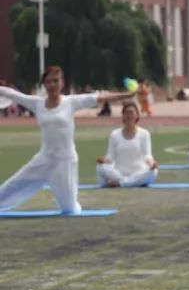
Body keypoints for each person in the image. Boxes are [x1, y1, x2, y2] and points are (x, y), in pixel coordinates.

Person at [0, 66, 134, 214]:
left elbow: (100, 97)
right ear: (44, 84)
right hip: (44, 159)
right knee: (11, 186)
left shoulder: (71, 102)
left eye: (55, 81)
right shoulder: (37, 103)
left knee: (69, 209)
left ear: (62, 83)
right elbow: (11, 94)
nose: (52, 85)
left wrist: (128, 94)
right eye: (49, 82)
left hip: (65, 161)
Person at [95, 101, 158, 187]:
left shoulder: (144, 134)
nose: (129, 115)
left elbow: (147, 155)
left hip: (138, 173)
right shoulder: (114, 134)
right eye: (126, 113)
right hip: (119, 174)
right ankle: (129, 182)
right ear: (123, 116)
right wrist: (103, 161)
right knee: (100, 168)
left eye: (131, 112)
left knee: (153, 172)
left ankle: (122, 183)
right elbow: (110, 156)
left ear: (137, 116)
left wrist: (152, 163)